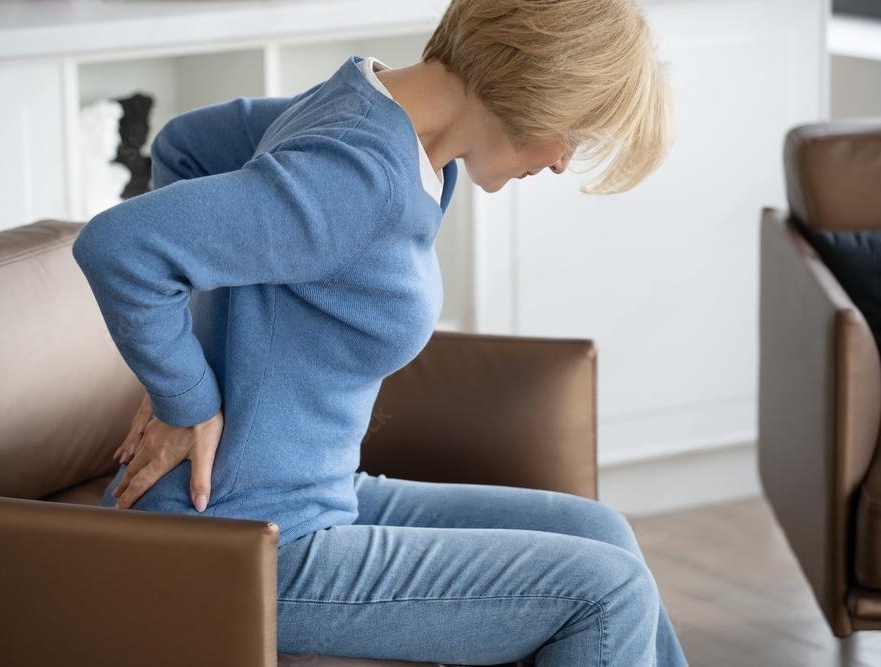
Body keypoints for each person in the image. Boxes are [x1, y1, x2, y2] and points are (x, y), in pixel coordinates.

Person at [72, 0, 685, 664]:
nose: (565, 161)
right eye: (576, 131)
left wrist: (202, 343)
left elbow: (183, 145)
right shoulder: (364, 177)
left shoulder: (373, 109)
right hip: (251, 539)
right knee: (606, 591)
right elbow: (120, 245)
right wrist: (185, 394)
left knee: (600, 532)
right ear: (542, 84)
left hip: (313, 494)